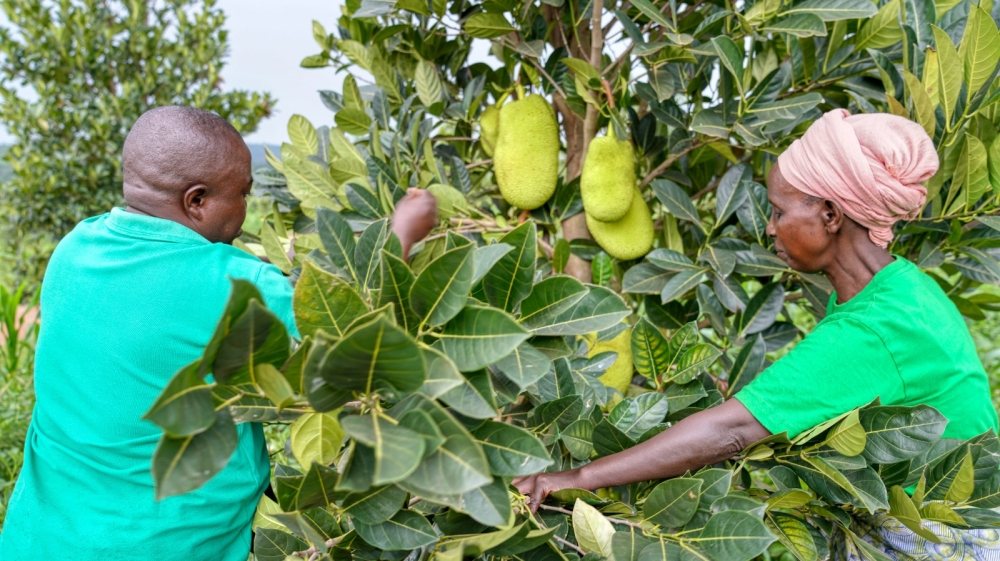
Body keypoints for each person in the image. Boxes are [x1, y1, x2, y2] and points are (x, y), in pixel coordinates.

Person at [514, 109, 1000, 558]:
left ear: (830, 216)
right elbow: (829, 385)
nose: (770, 229)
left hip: (940, 537)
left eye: (779, 212)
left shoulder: (872, 329)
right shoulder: (901, 286)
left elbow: (734, 430)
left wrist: (577, 477)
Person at [0, 106, 437, 559]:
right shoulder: (232, 284)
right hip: (163, 546)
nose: (245, 212)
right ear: (197, 201)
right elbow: (353, 328)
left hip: (41, 538)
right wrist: (401, 235)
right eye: (243, 194)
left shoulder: (76, 246)